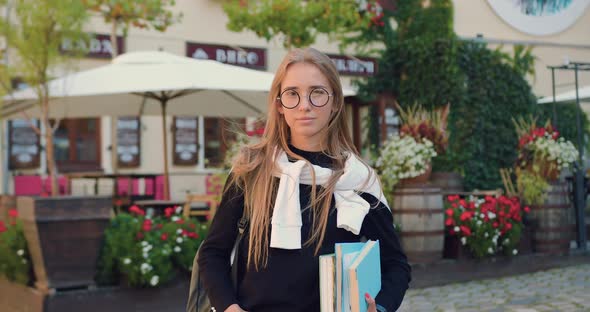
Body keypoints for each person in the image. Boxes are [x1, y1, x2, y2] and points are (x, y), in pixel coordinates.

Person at [198, 47, 411, 312]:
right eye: (292, 94)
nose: (304, 105)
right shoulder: (252, 170)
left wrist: (379, 308)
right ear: (279, 105)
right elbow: (213, 254)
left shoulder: (357, 180)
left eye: (317, 93)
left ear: (335, 102)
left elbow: (395, 265)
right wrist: (229, 308)